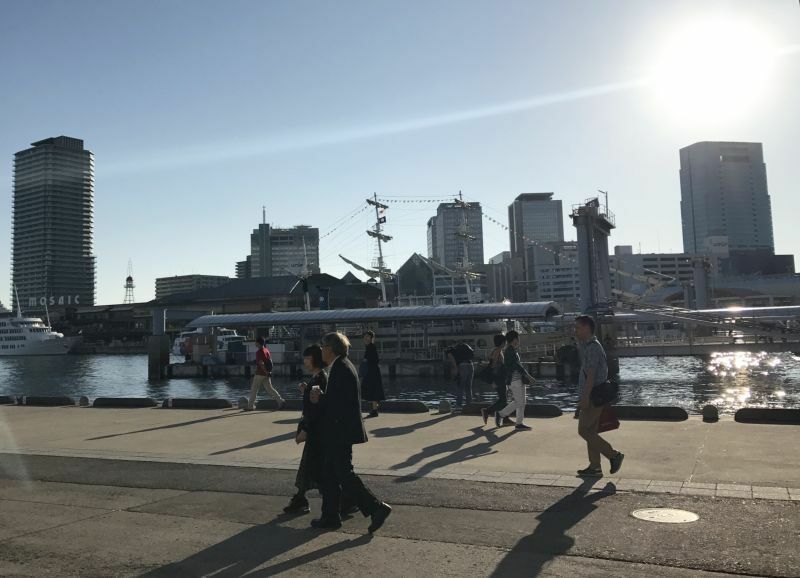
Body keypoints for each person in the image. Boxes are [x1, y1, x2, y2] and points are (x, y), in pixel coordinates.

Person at [309, 332, 392, 532]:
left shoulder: (340, 368)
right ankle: (330, 516)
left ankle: (376, 507)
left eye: (323, 346)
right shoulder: (343, 365)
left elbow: (337, 403)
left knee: (344, 474)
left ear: (330, 348)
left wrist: (319, 397)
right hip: (341, 430)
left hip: (340, 431)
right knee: (330, 474)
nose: (321, 350)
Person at [574, 315, 624, 478]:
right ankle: (595, 466)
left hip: (594, 395)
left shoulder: (593, 347)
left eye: (578, 327)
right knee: (591, 430)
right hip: (594, 394)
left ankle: (614, 455)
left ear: (587, 328)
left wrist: (585, 397)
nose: (576, 330)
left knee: (584, 430)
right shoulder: (588, 346)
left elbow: (591, 374)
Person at [283, 345, 327, 514]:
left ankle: (301, 500)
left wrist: (306, 430)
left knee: (312, 467)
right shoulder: (317, 378)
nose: (305, 361)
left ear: (315, 359)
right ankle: (301, 498)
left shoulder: (319, 379)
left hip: (316, 432)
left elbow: (314, 409)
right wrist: (306, 390)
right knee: (314, 468)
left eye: (307, 358)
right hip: (318, 432)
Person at [495, 330, 535, 431]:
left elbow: (518, 365)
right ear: (514, 340)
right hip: (514, 380)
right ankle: (501, 414)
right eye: (517, 338)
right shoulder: (510, 351)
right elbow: (517, 366)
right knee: (519, 402)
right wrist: (528, 376)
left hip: (518, 379)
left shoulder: (512, 350)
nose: (518, 340)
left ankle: (519, 423)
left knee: (522, 402)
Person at [247, 337, 285, 411]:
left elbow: (261, 363)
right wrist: (268, 372)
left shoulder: (259, 352)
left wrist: (265, 371)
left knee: (254, 389)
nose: (255, 343)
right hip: (266, 374)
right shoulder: (266, 350)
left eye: (255, 342)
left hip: (260, 373)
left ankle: (250, 406)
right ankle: (280, 401)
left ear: (258, 343)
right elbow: (270, 362)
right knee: (270, 389)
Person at [481, 334, 509, 425]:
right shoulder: (498, 350)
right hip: (498, 378)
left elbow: (491, 363)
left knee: (504, 398)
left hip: (499, 378)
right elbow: (493, 365)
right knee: (503, 399)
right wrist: (494, 380)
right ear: (502, 342)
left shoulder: (494, 350)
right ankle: (488, 411)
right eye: (505, 341)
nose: (505, 343)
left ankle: (505, 418)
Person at [359, 330, 385, 418]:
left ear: (371, 338)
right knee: (373, 390)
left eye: (367, 337)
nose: (365, 338)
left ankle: (374, 410)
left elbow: (375, 360)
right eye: (365, 337)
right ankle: (374, 409)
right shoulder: (369, 346)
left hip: (372, 373)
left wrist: (366, 361)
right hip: (372, 372)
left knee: (372, 390)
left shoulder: (371, 347)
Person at [451, 341, 475, 407]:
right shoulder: (467, 348)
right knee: (469, 387)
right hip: (471, 365)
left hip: (462, 365)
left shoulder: (456, 349)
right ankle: (469, 405)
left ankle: (458, 406)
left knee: (460, 387)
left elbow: (454, 360)